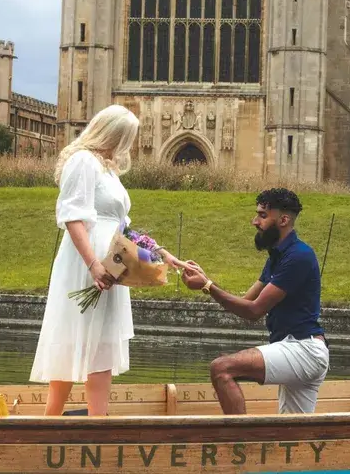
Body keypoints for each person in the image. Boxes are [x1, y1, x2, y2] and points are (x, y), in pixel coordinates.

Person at [30, 104, 192, 416]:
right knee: (71, 334)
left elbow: (123, 226)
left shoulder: (108, 170)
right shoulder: (83, 162)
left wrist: (160, 253)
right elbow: (73, 217)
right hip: (86, 260)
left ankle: (97, 419)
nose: (126, 145)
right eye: (125, 137)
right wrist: (93, 264)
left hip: (113, 260)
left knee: (102, 342)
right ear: (111, 133)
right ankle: (51, 420)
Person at [181, 188, 329, 415]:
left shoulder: (298, 256)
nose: (254, 221)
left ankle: (241, 443)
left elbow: (254, 311)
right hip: (296, 348)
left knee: (222, 369)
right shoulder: (278, 257)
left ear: (283, 219)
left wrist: (207, 286)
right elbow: (245, 302)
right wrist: (206, 280)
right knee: (292, 433)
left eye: (262, 215)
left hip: (304, 350)